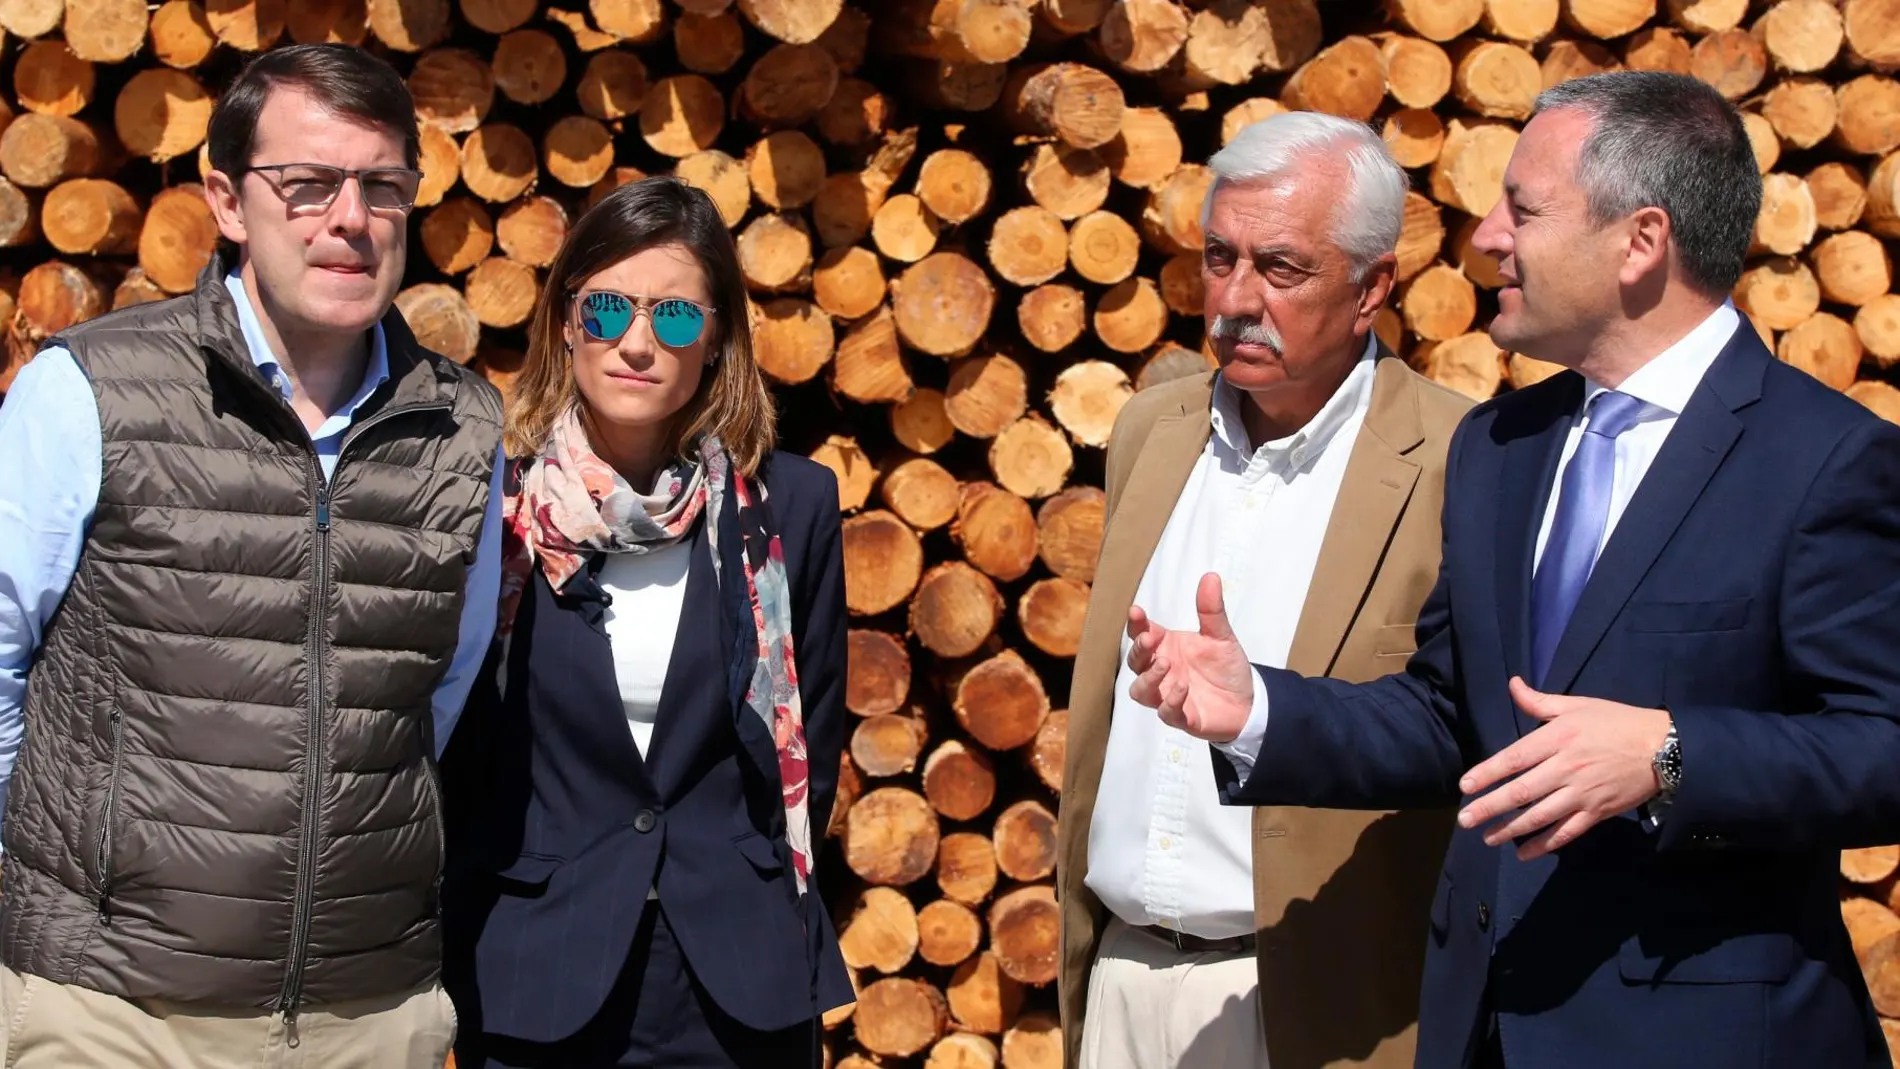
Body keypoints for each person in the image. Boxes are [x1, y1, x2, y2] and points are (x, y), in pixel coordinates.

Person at [1126, 70, 1900, 1069]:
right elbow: (1456, 717)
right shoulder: (1502, 444)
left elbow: (1883, 746)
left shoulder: (1821, 459)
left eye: (1522, 209)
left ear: (1641, 241)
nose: (1484, 235)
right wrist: (1259, 712)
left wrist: (1667, 758)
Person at [0, 43, 504, 1067]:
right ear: (228, 204)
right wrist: (79, 877)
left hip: (367, 1014)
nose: (349, 219)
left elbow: (433, 695)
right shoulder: (92, 390)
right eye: (307, 184)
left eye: (382, 185)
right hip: (114, 1011)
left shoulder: (464, 430)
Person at [1057, 112, 1471, 1069]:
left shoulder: (1459, 462)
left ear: (1373, 287)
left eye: (1280, 268)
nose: (1233, 300)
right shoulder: (1151, 432)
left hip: (1314, 1004)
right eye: (1218, 257)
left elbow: (1461, 731)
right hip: (1119, 980)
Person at [439, 175, 853, 1069]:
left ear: (716, 341)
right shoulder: (495, 506)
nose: (636, 342)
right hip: (536, 965)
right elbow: (461, 739)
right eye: (607, 310)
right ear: (563, 323)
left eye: (672, 316)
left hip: (739, 979)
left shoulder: (794, 506)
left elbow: (811, 731)